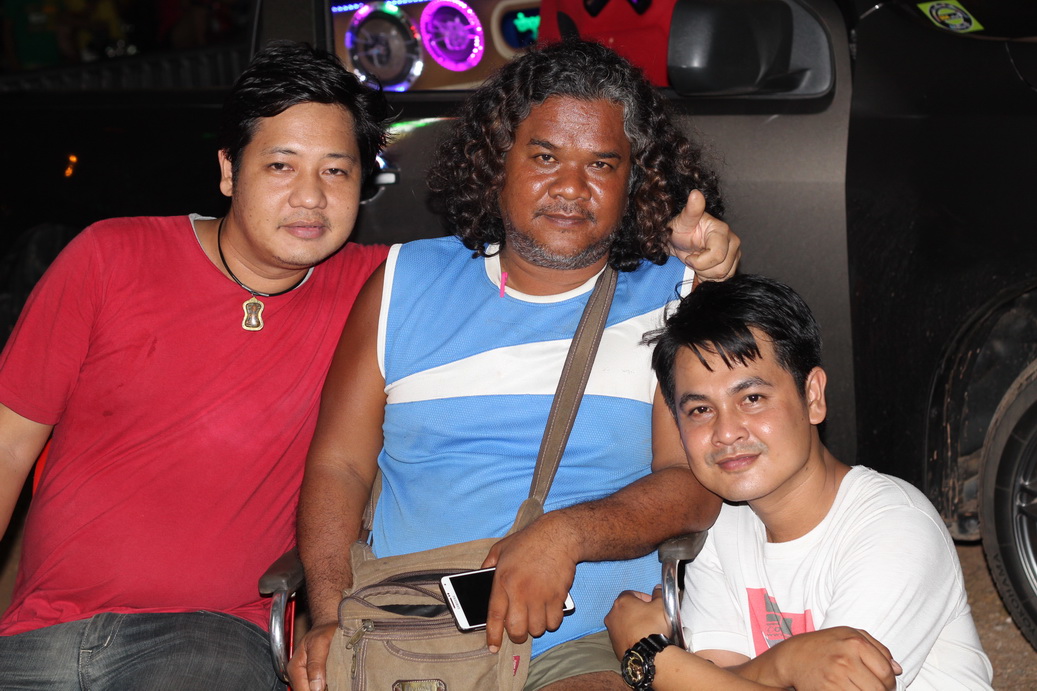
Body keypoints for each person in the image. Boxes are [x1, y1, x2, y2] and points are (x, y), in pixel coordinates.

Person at [292, 39, 739, 691]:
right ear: (498, 157)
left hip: (580, 644)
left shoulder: (673, 294)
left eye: (602, 164)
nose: (570, 188)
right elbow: (340, 465)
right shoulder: (403, 282)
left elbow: (695, 484)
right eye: (545, 156)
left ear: (634, 179)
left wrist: (567, 535)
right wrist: (332, 616)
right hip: (404, 634)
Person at [0, 41, 393, 689]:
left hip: (208, 636)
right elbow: (9, 443)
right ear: (229, 171)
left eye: (335, 171)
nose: (310, 197)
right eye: (281, 165)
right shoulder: (109, 256)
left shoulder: (379, 291)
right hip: (40, 631)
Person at [605, 274, 994, 690]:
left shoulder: (896, 527)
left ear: (813, 396)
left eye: (752, 398)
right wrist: (787, 663)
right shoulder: (721, 525)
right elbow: (712, 678)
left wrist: (650, 656)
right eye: (700, 410)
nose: (726, 432)